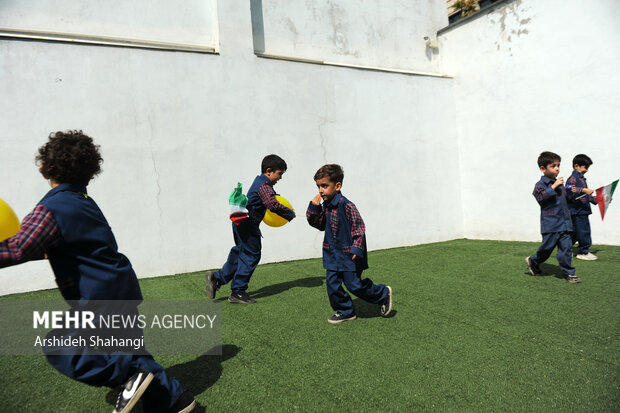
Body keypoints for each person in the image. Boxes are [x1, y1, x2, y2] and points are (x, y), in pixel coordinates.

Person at [0, 131, 195, 413]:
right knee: (132, 351)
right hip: (120, 286)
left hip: (97, 295)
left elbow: (19, 247)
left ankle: (126, 375)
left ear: (44, 167)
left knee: (59, 346)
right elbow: (70, 245)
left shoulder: (51, 207)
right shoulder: (83, 202)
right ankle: (176, 401)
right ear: (89, 173)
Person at [306, 164, 392, 324]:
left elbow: (359, 227)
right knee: (332, 285)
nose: (320, 190)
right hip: (332, 254)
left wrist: (356, 248)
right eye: (318, 186)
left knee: (354, 285)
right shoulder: (326, 206)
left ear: (337, 186)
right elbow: (319, 224)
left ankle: (382, 293)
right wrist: (313, 207)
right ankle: (345, 311)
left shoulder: (347, 205)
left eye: (324, 186)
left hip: (349, 255)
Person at [205, 154, 295, 304]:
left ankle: (218, 278)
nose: (280, 178)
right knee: (252, 254)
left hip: (240, 222)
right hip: (248, 224)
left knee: (241, 251)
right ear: (269, 171)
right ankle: (238, 291)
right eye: (279, 174)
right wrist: (289, 213)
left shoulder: (259, 182)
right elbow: (271, 204)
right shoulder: (264, 186)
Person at [525, 151, 581, 283]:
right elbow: (540, 198)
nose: (557, 168)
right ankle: (533, 261)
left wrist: (571, 194)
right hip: (551, 224)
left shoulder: (560, 184)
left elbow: (566, 200)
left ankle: (568, 273)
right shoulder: (540, 185)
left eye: (558, 165)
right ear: (543, 168)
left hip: (565, 223)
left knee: (566, 249)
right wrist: (554, 186)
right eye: (553, 166)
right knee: (546, 249)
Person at [566, 154, 598, 260]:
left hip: (580, 210)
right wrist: (583, 190)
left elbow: (585, 197)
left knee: (575, 233)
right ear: (576, 166)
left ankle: (566, 249)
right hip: (578, 211)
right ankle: (583, 252)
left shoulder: (581, 179)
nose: (587, 170)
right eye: (585, 167)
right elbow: (568, 190)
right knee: (584, 231)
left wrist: (599, 200)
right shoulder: (572, 179)